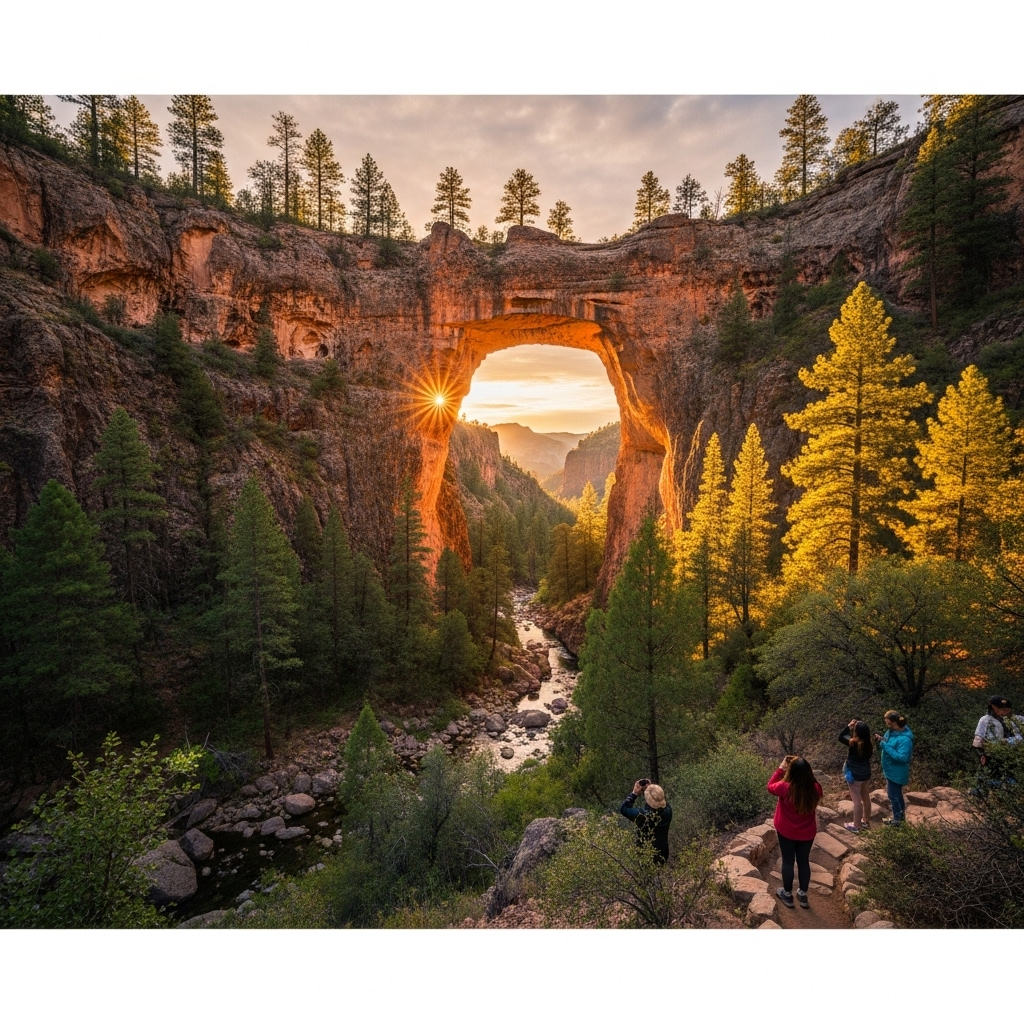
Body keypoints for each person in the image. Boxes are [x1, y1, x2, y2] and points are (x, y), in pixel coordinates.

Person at [767, 756, 822, 910]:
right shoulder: (816, 788)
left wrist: (780, 768)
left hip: (786, 831)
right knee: (803, 862)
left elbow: (770, 786)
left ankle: (787, 894)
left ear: (791, 771)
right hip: (807, 833)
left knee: (788, 861)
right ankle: (803, 895)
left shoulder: (785, 787)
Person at [620, 779, 672, 865]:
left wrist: (634, 793)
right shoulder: (668, 811)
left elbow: (624, 809)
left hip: (647, 856)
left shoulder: (644, 816)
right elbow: (660, 801)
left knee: (647, 877)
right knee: (660, 875)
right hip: (663, 853)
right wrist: (653, 790)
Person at [874, 711, 913, 825]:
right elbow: (889, 743)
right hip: (890, 770)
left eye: (888, 723)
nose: (887, 725)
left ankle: (898, 821)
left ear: (895, 723)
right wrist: (882, 740)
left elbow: (903, 758)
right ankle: (899, 818)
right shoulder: (891, 732)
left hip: (897, 772)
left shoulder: (905, 740)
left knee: (893, 795)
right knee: (896, 795)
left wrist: (885, 745)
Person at [839, 719, 873, 833]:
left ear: (857, 731)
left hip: (855, 775)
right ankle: (866, 822)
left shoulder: (853, 743)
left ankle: (856, 826)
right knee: (866, 798)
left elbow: (841, 736)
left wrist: (849, 726)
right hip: (866, 774)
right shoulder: (869, 744)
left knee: (857, 801)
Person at [973, 696, 1024, 766]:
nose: (1005, 711)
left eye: (1007, 709)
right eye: (1002, 709)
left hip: (1015, 754)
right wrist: (982, 755)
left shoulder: (1015, 719)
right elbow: (977, 743)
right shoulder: (985, 720)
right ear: (994, 708)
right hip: (994, 755)